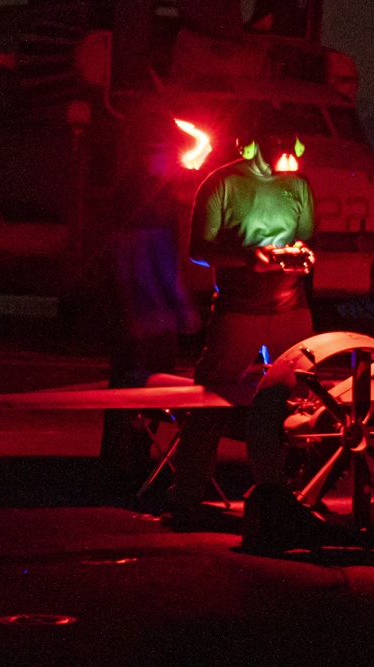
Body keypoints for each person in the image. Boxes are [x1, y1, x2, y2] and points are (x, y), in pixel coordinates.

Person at [165, 113, 319, 550]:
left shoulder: (299, 185)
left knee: (301, 403)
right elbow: (199, 250)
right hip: (239, 310)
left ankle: (290, 496)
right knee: (211, 400)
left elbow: (308, 239)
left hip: (292, 307)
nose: (287, 157)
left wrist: (302, 256)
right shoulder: (221, 183)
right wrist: (248, 258)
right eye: (278, 147)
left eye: (292, 147)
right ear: (253, 143)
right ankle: (187, 498)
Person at [98, 113, 202, 497]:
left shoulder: (142, 190)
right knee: (142, 388)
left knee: (131, 390)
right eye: (167, 152)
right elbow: (147, 255)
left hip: (143, 311)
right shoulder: (145, 195)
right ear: (152, 153)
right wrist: (173, 306)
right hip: (147, 314)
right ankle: (128, 470)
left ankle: (122, 465)